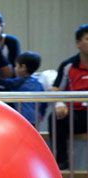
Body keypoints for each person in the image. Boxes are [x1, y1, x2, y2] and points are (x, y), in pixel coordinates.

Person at [50, 24, 88, 170]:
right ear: (78, 43)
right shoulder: (68, 65)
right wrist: (59, 103)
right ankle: (61, 161)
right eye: (87, 39)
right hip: (77, 114)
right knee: (56, 118)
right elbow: (55, 89)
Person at [0, 52, 46, 126]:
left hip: (22, 117)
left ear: (23, 67)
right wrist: (42, 114)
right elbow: (44, 102)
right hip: (35, 117)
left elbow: (5, 83)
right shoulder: (38, 83)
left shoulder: (19, 81)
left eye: (16, 66)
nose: (14, 68)